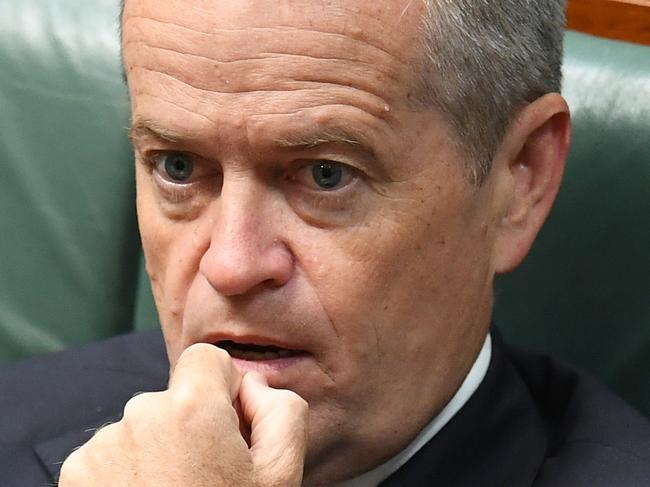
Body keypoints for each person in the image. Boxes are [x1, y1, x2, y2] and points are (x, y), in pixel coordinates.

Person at [1, 0, 649, 485]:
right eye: (176, 166)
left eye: (326, 175)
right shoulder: (16, 416)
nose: (231, 264)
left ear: (520, 181)